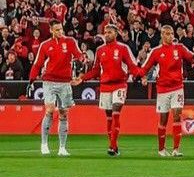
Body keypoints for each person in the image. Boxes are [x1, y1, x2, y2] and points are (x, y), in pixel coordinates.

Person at [76, 25, 137, 157]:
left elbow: (132, 65)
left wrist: (141, 75)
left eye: (110, 32)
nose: (107, 34)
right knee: (109, 118)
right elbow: (96, 70)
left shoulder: (123, 48)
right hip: (105, 87)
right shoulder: (100, 50)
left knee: (116, 114)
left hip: (120, 85)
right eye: (105, 32)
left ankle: (111, 146)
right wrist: (83, 78)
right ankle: (114, 147)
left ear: (116, 33)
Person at [137, 24, 194, 158]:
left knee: (177, 115)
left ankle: (176, 149)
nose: (170, 36)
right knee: (163, 119)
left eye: (172, 33)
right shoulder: (156, 51)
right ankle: (161, 149)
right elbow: (145, 67)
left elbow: (192, 57)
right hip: (162, 89)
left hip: (177, 87)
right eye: (167, 34)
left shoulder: (179, 48)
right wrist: (143, 76)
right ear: (162, 35)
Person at [28, 20, 84, 157]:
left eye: (61, 29)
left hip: (65, 82)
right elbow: (37, 64)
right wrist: (31, 80)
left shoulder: (70, 42)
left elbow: (79, 55)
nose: (60, 32)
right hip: (49, 82)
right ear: (51, 30)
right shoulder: (45, 45)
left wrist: (81, 60)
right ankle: (44, 144)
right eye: (57, 30)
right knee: (50, 110)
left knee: (64, 113)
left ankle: (62, 148)